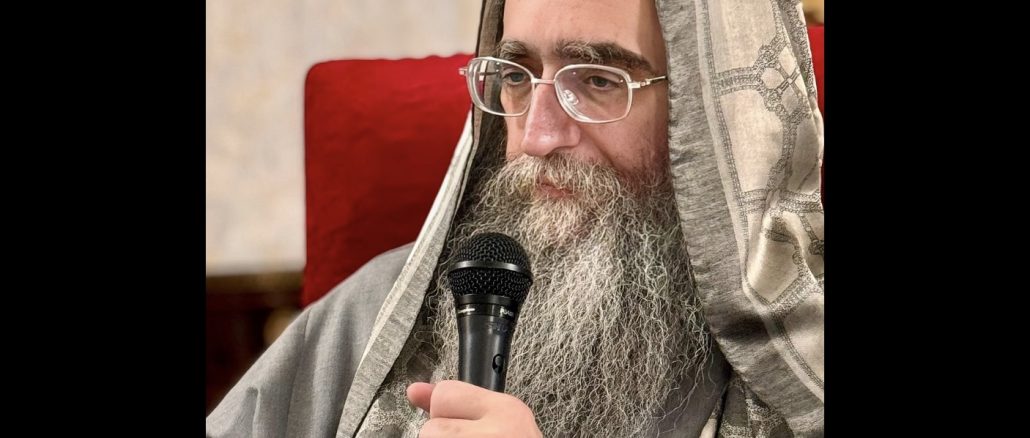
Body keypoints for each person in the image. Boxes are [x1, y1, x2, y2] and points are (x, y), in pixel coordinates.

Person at [207, 0, 824, 436]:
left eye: (599, 80)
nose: (536, 136)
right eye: (516, 77)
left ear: (716, 117)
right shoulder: (372, 313)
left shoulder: (807, 361)